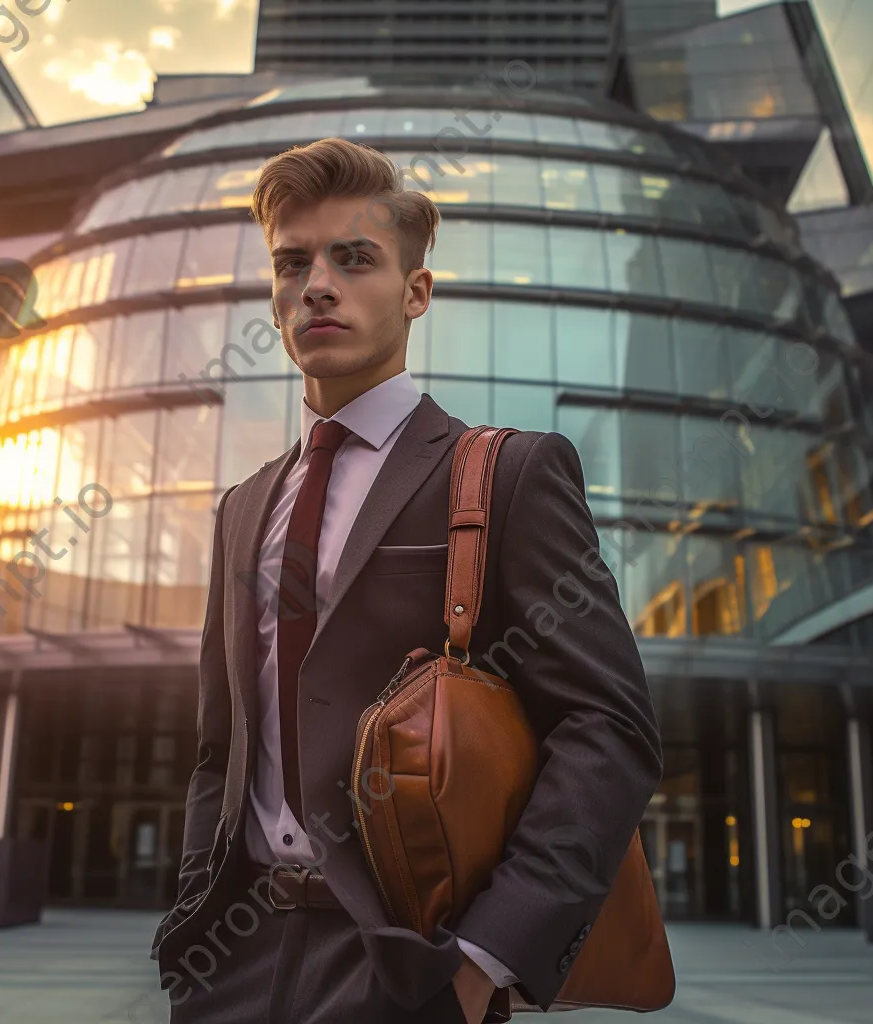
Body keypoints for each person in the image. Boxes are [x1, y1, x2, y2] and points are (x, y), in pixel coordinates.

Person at [150, 137, 663, 1024]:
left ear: (416, 292)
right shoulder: (242, 508)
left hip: (411, 966)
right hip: (233, 960)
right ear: (274, 299)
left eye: (354, 260)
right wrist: (194, 917)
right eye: (292, 264)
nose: (318, 284)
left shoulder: (505, 475)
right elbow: (217, 747)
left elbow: (608, 727)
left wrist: (482, 962)